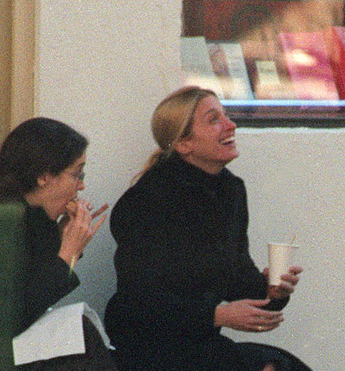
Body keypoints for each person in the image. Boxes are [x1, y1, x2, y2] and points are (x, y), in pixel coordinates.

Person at [104, 86, 311, 371]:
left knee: (282, 366)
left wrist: (272, 292)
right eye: (214, 120)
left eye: (225, 116)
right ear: (184, 144)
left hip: (200, 343)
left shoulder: (230, 191)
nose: (231, 125)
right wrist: (218, 315)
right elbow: (138, 301)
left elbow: (236, 275)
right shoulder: (148, 200)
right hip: (149, 348)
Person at [0, 117, 117, 370]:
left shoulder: (35, 210)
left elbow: (34, 284)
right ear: (43, 176)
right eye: (76, 174)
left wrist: (63, 239)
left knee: (82, 335)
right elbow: (8, 317)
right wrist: (67, 255)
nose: (82, 185)